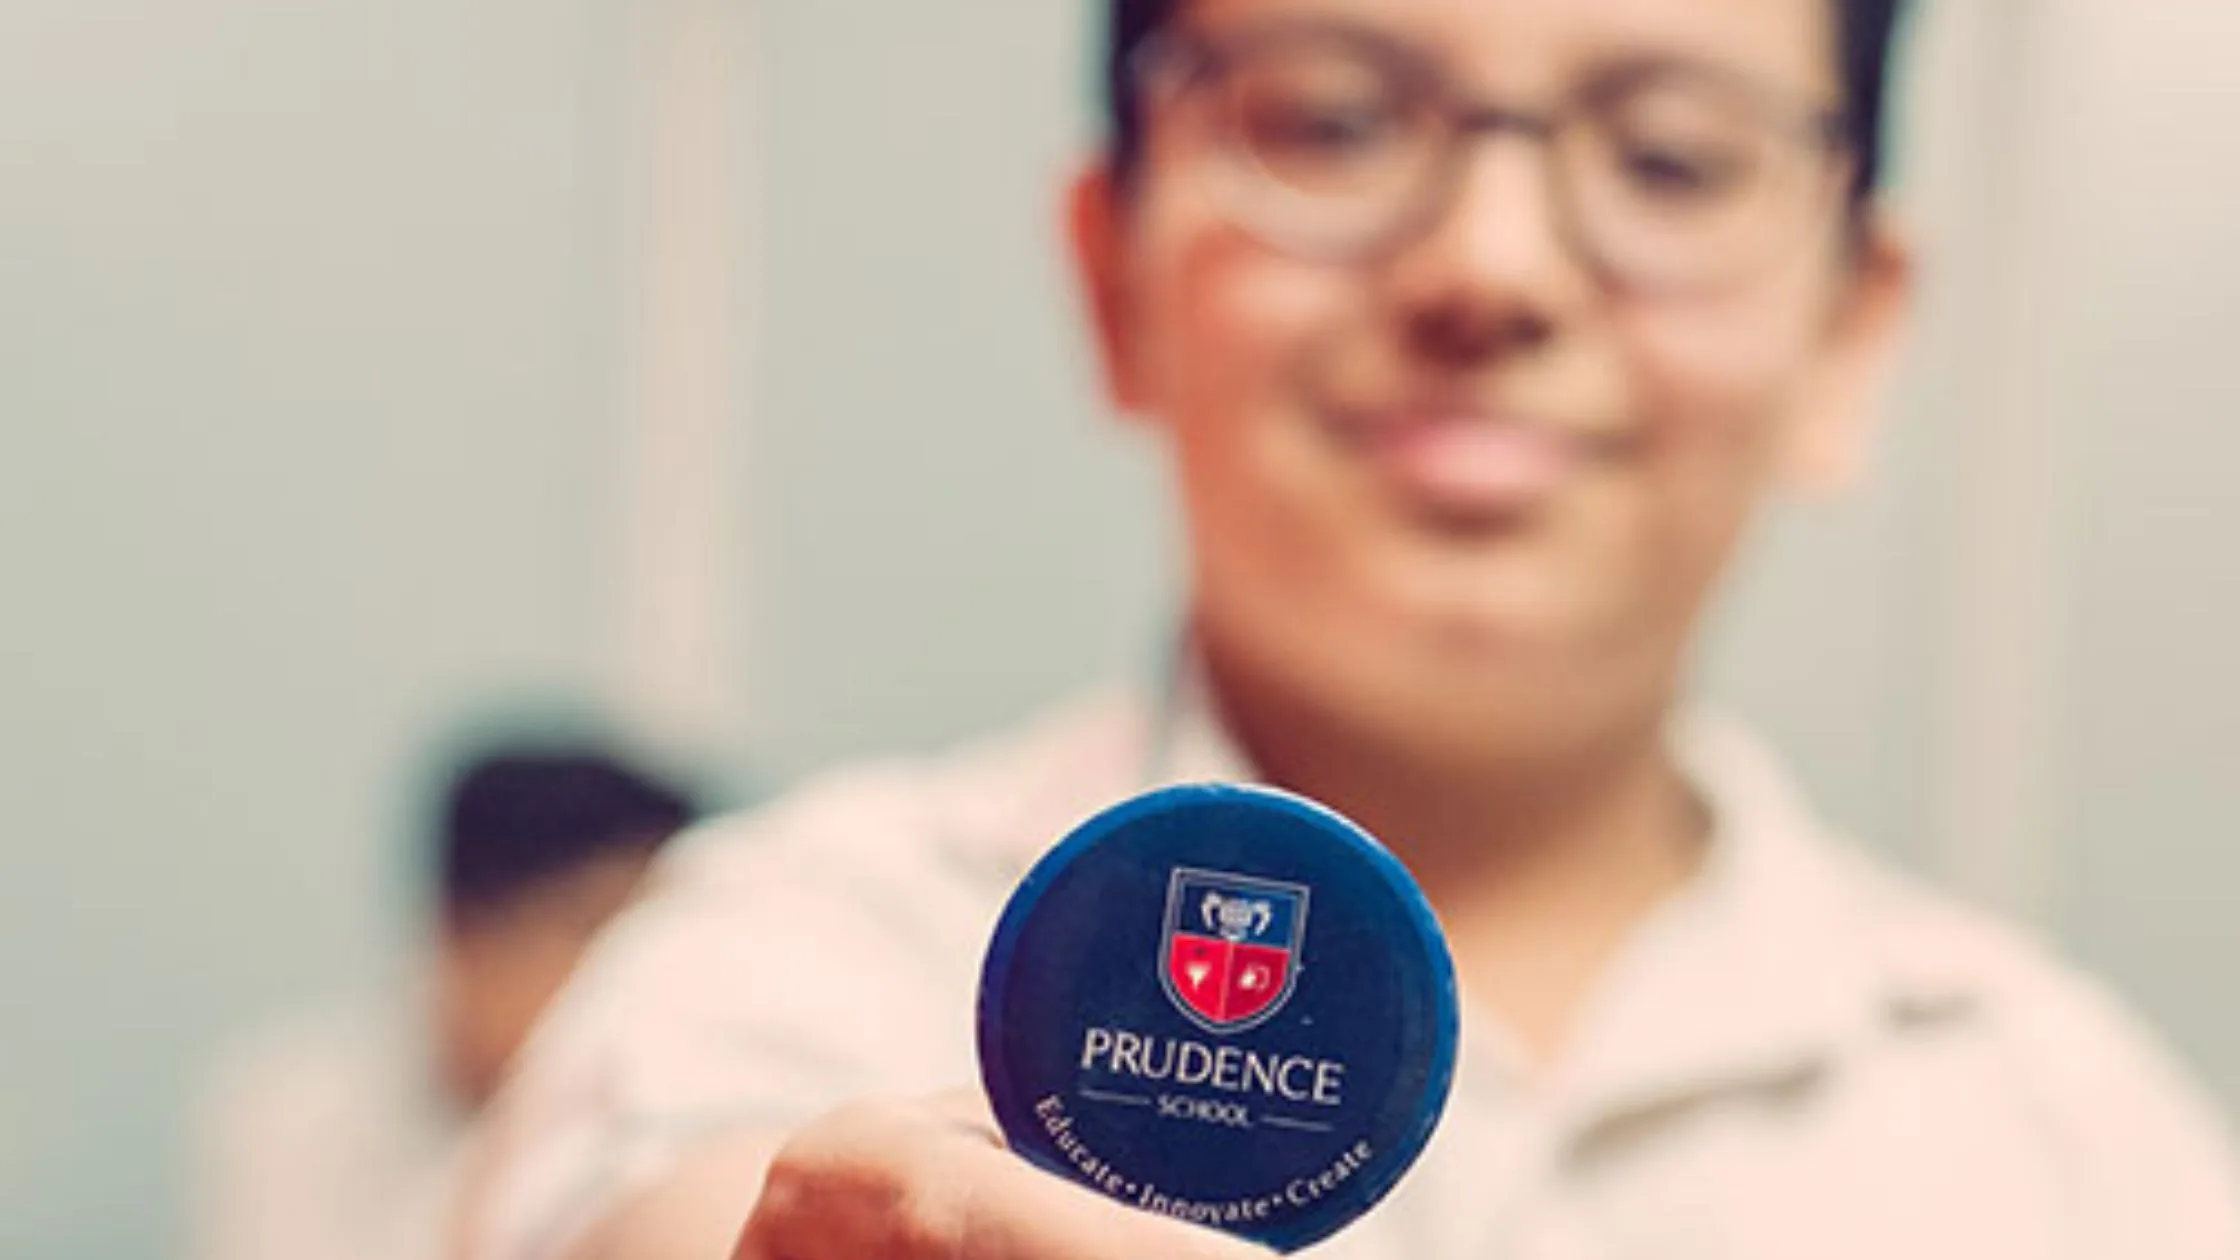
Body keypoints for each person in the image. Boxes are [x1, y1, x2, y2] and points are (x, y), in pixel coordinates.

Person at [463, 1, 2240, 1257]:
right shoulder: (766, 970)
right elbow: (662, 1207)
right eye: (1330, 120)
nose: (1494, 267)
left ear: (1853, 332)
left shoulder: (2082, 1149)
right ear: (1113, 274)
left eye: (1678, 158)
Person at [193, 746, 699, 1260]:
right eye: (592, 928)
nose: (636, 973)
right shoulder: (287, 1107)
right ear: (460, 929)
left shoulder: (660, 1124)